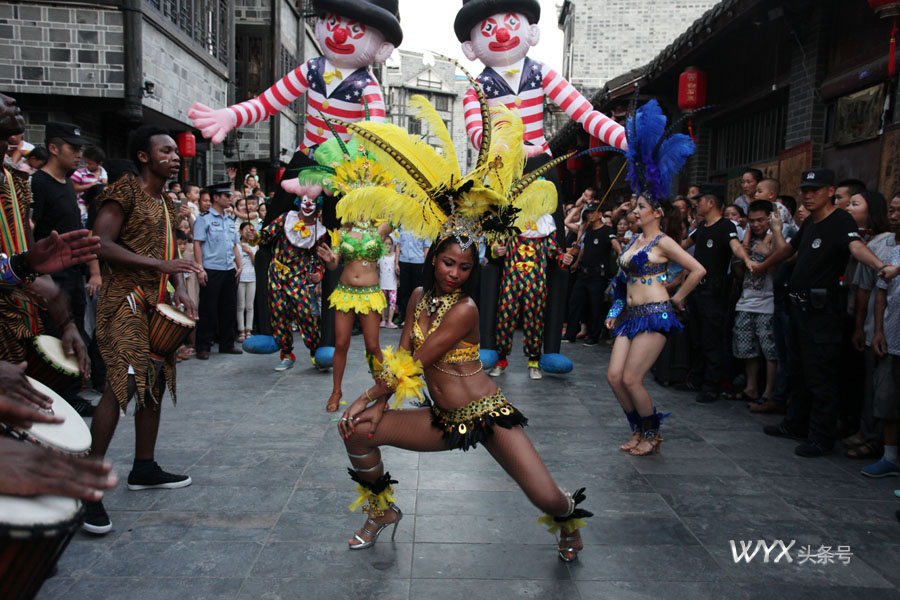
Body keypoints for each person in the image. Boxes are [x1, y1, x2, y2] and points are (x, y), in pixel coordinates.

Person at [86, 124, 203, 533]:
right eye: (166, 151)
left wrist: (178, 290)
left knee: (152, 384)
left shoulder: (168, 204)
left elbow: (168, 257)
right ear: (143, 157)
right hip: (125, 301)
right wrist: (160, 269)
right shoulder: (124, 191)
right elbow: (100, 242)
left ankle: (144, 466)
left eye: (176, 151)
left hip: (158, 303)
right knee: (121, 386)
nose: (175, 156)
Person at [757, 169, 899, 457]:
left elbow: (856, 247)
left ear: (830, 191)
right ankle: (795, 423)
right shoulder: (810, 223)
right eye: (805, 190)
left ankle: (821, 436)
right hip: (798, 308)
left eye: (815, 190)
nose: (808, 195)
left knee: (820, 375)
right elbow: (789, 254)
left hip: (823, 313)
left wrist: (878, 266)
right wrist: (762, 265)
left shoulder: (840, 220)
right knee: (797, 370)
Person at [600, 99, 705, 455]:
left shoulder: (664, 242)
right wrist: (615, 310)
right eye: (635, 205)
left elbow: (697, 269)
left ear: (656, 212)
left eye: (640, 206)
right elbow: (621, 282)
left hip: (655, 314)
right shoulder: (633, 241)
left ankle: (652, 434)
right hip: (630, 316)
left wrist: (678, 297)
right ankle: (637, 430)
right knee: (614, 378)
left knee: (632, 378)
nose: (634, 209)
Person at [681, 183, 756, 403]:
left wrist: (747, 259)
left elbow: (735, 246)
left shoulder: (725, 227)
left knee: (712, 339)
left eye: (700, 201)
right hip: (697, 289)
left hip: (714, 292)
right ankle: (696, 378)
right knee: (696, 337)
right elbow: (683, 245)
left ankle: (711, 384)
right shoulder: (702, 227)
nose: (696, 205)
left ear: (711, 203)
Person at [318, 219, 391, 410]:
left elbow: (401, 212)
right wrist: (330, 261)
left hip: (369, 294)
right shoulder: (342, 231)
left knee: (373, 346)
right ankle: (336, 391)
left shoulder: (381, 228)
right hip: (345, 291)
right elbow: (334, 264)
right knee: (341, 343)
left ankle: (381, 394)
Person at [256, 194, 326, 372]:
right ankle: (286, 354)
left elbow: (320, 258)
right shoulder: (286, 218)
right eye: (305, 200)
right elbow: (265, 237)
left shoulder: (320, 231)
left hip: (299, 278)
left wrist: (319, 273)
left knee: (306, 315)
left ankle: (316, 354)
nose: (308, 204)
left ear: (318, 206)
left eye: (312, 202)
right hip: (277, 275)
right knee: (279, 315)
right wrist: (253, 235)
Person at [729, 200, 778, 405]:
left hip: (768, 302)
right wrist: (742, 256)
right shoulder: (747, 241)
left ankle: (768, 392)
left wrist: (769, 255)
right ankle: (751, 387)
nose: (757, 225)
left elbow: (779, 272)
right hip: (746, 300)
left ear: (770, 218)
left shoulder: (779, 238)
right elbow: (740, 274)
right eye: (752, 221)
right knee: (747, 349)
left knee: (770, 351)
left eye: (761, 220)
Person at [193, 181, 243, 360]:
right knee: (208, 309)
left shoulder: (229, 220)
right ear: (216, 197)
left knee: (228, 308)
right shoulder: (204, 219)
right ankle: (203, 346)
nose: (230, 199)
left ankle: (227, 343)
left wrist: (240, 265)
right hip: (211, 268)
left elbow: (235, 245)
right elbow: (197, 244)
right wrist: (200, 269)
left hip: (229, 268)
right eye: (226, 196)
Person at [564, 204, 620, 346]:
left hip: (597, 274)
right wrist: (577, 263)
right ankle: (570, 333)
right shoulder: (587, 230)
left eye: (592, 212)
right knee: (574, 302)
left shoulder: (607, 230)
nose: (589, 215)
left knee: (595, 306)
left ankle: (593, 336)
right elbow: (583, 249)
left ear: (599, 214)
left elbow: (615, 242)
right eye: (587, 213)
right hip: (583, 272)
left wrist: (620, 254)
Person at [396, 226, 431, 321]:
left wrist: (426, 265)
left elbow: (426, 248)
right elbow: (398, 246)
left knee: (417, 291)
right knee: (404, 291)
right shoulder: (402, 227)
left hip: (418, 262)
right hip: (404, 261)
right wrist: (396, 263)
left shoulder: (424, 228)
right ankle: (404, 317)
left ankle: (417, 316)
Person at [237, 222, 257, 342]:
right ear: (240, 231)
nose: (249, 232)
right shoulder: (236, 245)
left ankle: (249, 330)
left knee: (250, 306)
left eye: (251, 230)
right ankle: (241, 331)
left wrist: (250, 252)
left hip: (252, 277)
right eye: (246, 230)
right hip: (241, 278)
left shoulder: (255, 246)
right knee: (240, 306)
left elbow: (256, 263)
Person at [379, 235, 399, 328]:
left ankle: (390, 320)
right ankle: (383, 320)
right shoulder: (380, 256)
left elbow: (397, 270)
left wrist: (399, 280)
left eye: (390, 244)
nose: (388, 246)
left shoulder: (395, 256)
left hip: (392, 283)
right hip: (382, 283)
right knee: (382, 302)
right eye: (385, 244)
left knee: (392, 302)